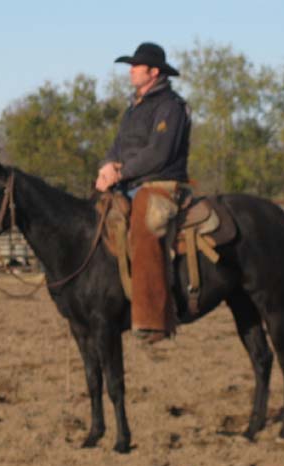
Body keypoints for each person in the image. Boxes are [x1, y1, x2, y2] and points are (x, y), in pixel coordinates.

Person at [95, 42, 191, 343]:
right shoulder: (133, 108)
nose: (131, 71)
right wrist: (106, 167)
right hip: (126, 183)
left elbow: (159, 153)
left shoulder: (171, 107)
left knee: (145, 227)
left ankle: (152, 320)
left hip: (160, 184)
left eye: (136, 67)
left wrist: (121, 172)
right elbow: (117, 146)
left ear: (153, 72)